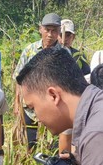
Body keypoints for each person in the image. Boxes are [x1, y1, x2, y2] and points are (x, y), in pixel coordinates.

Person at [13, 13, 69, 149]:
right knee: (29, 146)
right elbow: (19, 79)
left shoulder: (64, 53)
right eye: (47, 30)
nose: (50, 34)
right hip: (30, 110)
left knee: (51, 147)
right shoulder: (30, 50)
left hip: (53, 110)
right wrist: (16, 103)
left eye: (54, 30)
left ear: (59, 32)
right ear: (40, 29)